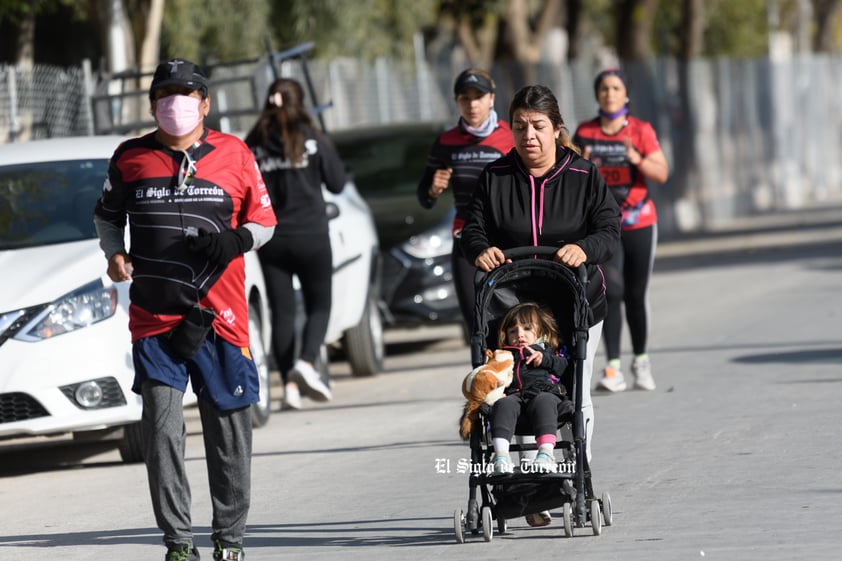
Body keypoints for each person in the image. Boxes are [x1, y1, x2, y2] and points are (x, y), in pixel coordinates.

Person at [94, 58, 276, 561]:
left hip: (222, 319)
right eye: (165, 93)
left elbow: (265, 221)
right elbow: (106, 216)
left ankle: (230, 540)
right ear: (152, 104)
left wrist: (234, 241)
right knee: (160, 434)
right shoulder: (129, 157)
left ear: (206, 103)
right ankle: (178, 544)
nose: (175, 102)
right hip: (155, 321)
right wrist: (113, 253)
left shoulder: (234, 153)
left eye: (186, 92)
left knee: (229, 436)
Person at [460, 84, 622, 467]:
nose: (528, 135)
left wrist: (584, 248)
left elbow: (609, 230)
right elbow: (473, 230)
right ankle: (532, 480)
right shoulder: (495, 176)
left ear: (556, 128)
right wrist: (481, 251)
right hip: (513, 309)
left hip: (576, 301)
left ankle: (573, 468)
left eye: (537, 126)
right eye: (519, 127)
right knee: (516, 388)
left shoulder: (583, 175)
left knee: (574, 388)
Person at [244, 78, 346, 410]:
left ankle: (289, 386)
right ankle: (305, 363)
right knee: (320, 306)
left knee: (283, 313)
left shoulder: (255, 141)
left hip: (271, 238)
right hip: (313, 236)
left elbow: (241, 185)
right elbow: (337, 182)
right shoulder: (314, 137)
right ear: (299, 102)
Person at [573, 68, 670, 392]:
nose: (609, 94)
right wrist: (580, 161)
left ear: (625, 94)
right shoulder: (586, 131)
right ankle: (612, 367)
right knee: (610, 292)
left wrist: (636, 158)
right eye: (603, 89)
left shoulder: (640, 130)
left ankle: (640, 360)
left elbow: (661, 173)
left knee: (634, 293)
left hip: (639, 222)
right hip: (603, 225)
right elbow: (569, 168)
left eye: (615, 88)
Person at [417, 68, 514, 336]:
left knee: (514, 318)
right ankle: (487, 374)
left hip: (507, 238)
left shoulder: (510, 137)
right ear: (457, 101)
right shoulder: (446, 142)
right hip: (466, 240)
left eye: (478, 97)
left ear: (491, 99)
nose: (472, 104)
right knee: (476, 324)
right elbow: (424, 197)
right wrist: (434, 190)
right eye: (465, 98)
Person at [488, 303, 572, 476]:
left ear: (540, 332)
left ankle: (546, 453)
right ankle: (501, 456)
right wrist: (495, 388)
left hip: (544, 392)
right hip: (514, 396)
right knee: (503, 404)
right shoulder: (502, 356)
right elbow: (490, 376)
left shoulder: (546, 350)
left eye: (527, 328)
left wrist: (545, 359)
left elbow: (564, 366)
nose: (520, 334)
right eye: (513, 331)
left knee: (544, 401)